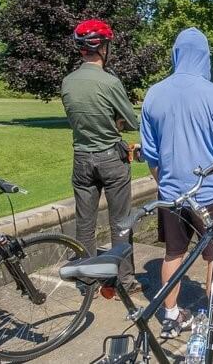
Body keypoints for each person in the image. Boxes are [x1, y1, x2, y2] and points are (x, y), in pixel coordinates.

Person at [139, 28, 213, 339]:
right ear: (204, 56)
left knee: (173, 253)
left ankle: (171, 315)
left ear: (175, 55)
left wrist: (164, 185)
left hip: (172, 194)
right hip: (211, 195)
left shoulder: (153, 95)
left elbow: (151, 154)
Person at [61, 19, 141, 294]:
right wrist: (115, 123)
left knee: (85, 223)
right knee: (120, 221)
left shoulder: (68, 82)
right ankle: (125, 280)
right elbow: (131, 120)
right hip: (111, 158)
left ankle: (87, 279)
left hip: (81, 157)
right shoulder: (110, 82)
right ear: (103, 48)